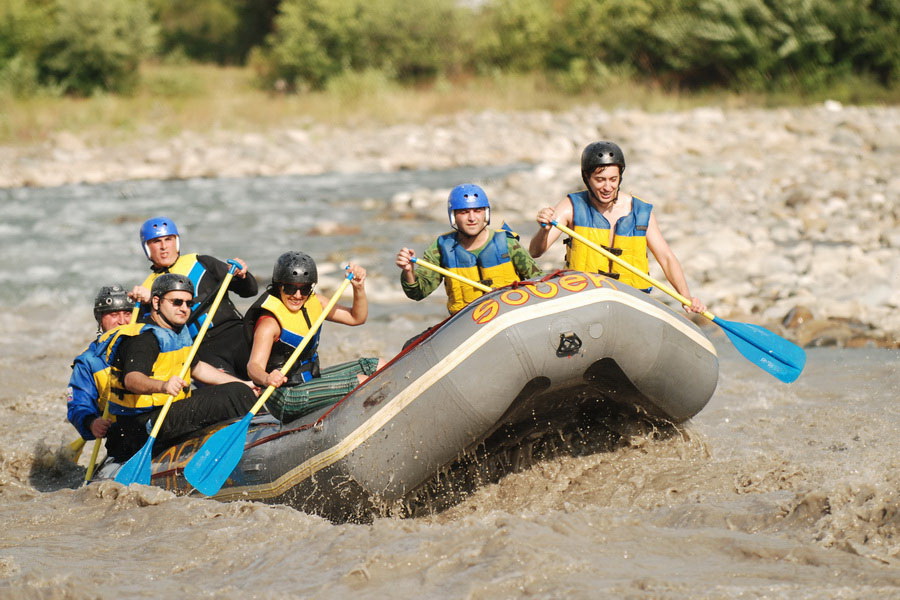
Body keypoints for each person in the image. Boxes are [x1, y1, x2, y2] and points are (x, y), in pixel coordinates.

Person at [530, 141, 707, 313]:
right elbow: (535, 252)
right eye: (600, 180)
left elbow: (666, 258)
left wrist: (686, 297)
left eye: (613, 179)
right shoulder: (570, 207)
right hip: (585, 298)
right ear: (587, 178)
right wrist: (544, 231)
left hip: (631, 300)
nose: (607, 187)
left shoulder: (640, 212)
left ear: (620, 177)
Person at [104, 274, 258, 462]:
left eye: (188, 303)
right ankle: (254, 448)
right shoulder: (144, 338)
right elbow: (132, 379)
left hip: (168, 410)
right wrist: (163, 386)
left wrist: (244, 383)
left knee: (238, 390)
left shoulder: (177, 331)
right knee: (234, 397)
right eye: (177, 302)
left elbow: (197, 368)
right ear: (156, 302)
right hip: (141, 425)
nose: (184, 309)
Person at [245, 252, 383, 423]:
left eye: (304, 288)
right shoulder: (269, 324)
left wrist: (358, 288)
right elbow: (253, 366)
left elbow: (356, 318)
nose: (297, 295)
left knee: (378, 365)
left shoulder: (316, 302)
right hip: (285, 396)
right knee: (363, 383)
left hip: (310, 380)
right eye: (290, 288)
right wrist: (267, 378)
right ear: (278, 286)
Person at [129, 216, 258, 379]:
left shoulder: (202, 262)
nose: (163, 247)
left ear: (176, 242)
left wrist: (242, 276)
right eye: (156, 241)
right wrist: (147, 304)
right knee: (235, 392)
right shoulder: (147, 290)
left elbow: (250, 291)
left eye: (168, 239)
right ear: (147, 248)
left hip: (235, 333)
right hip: (201, 350)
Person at [395, 183, 543, 315]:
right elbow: (417, 293)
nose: (472, 218)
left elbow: (539, 283)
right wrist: (408, 271)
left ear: (486, 214)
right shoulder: (441, 248)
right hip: (468, 322)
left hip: (509, 314)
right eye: (464, 212)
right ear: (453, 217)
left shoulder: (507, 243)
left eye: (477, 211)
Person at [66, 285, 135, 443]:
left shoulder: (148, 344)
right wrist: (91, 422)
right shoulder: (88, 361)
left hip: (154, 422)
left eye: (127, 313)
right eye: (114, 314)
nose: (122, 321)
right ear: (100, 320)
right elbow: (78, 403)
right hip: (121, 433)